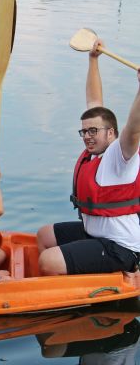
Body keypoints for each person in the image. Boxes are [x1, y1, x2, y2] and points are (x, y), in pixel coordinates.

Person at [37, 40, 140, 276]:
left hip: (120, 247)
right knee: (44, 235)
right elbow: (94, 103)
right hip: (95, 233)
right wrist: (93, 60)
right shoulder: (94, 154)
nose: (87, 136)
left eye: (93, 131)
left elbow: (134, 129)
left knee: (48, 261)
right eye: (84, 131)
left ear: (111, 133)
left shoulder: (120, 156)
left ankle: (74, 299)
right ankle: (72, 279)